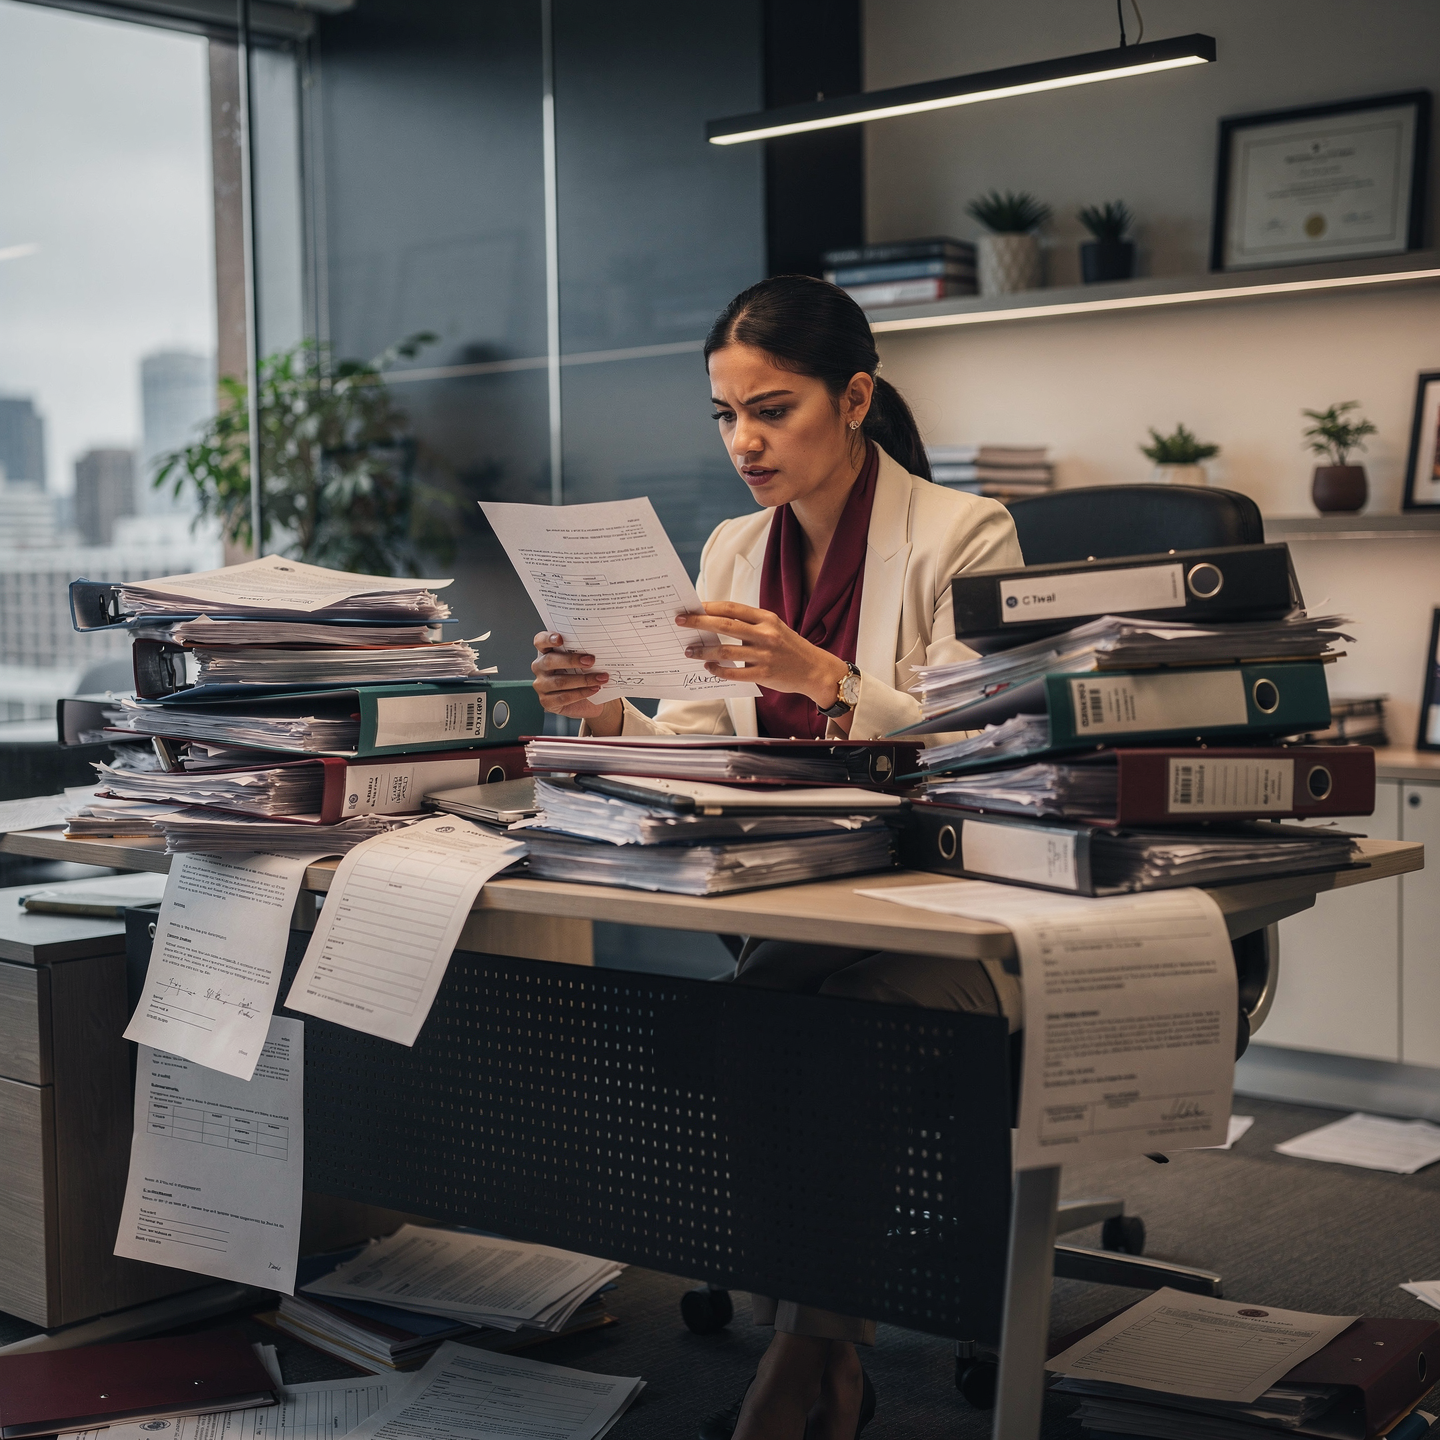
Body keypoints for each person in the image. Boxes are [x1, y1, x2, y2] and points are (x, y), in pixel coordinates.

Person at [531, 274, 1024, 1440]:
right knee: (764, 1029)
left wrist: (828, 679)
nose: (743, 441)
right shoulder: (731, 547)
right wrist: (604, 713)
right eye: (724, 414)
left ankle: (806, 1359)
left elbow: (988, 749)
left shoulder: (968, 533)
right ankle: (823, 1358)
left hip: (956, 918)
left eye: (774, 408)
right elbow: (696, 745)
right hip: (804, 903)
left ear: (855, 398)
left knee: (821, 1036)